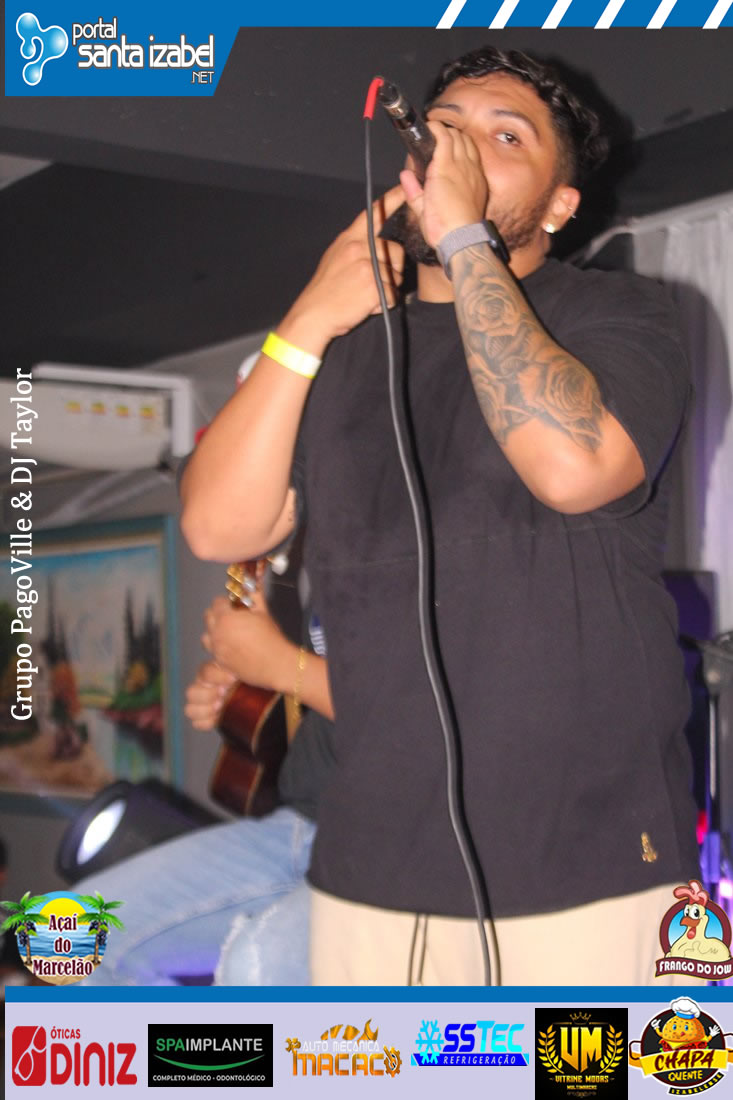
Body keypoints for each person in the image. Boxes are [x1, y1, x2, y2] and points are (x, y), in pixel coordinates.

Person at [180, 46, 700, 985]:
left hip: (588, 865)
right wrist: (308, 317)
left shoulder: (621, 315)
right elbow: (218, 530)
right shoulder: (340, 356)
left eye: (505, 137)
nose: (457, 149)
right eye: (445, 127)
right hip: (370, 871)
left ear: (558, 207)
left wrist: (464, 237)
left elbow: (573, 467)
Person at [76, 592, 334, 985]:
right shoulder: (316, 565)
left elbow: (420, 712)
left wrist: (285, 666)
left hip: (400, 842)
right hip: (305, 821)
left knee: (255, 967)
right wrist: (251, 678)